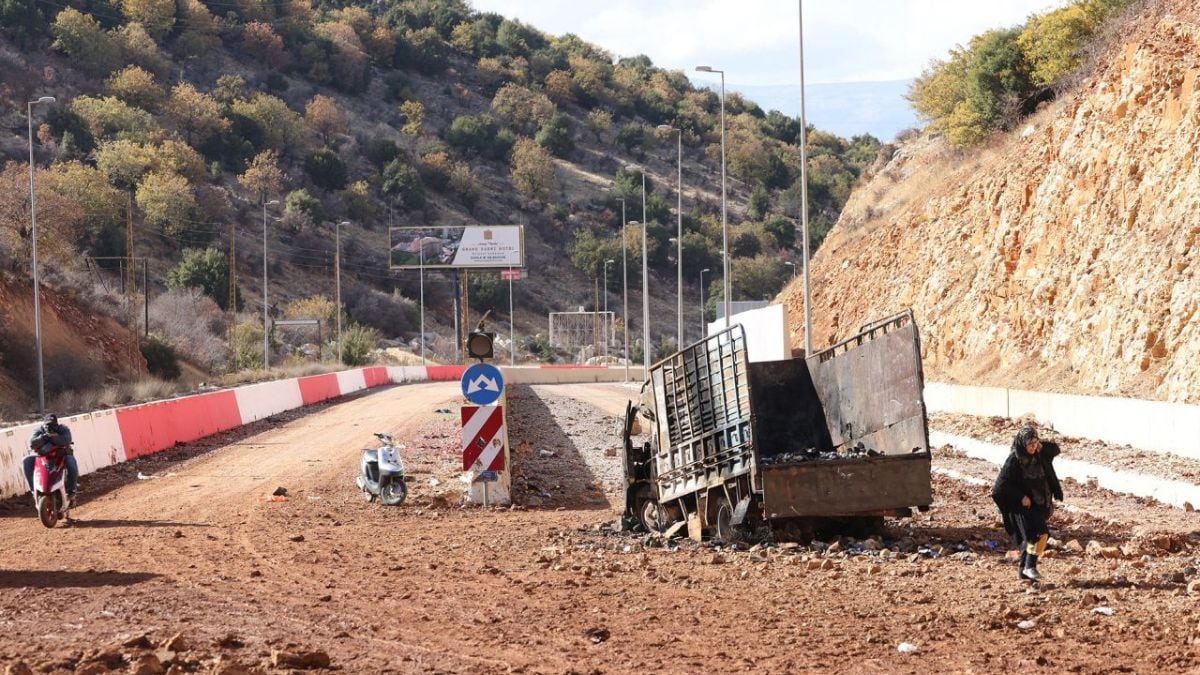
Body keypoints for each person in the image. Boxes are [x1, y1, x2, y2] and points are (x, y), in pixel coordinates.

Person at [991, 425, 1063, 581]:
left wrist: (1040, 444)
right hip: (1022, 508)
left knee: (1028, 539)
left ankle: (1023, 572)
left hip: (1039, 505)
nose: (1033, 447)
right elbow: (999, 487)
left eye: (1035, 443)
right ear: (1022, 444)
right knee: (1040, 534)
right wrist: (1020, 497)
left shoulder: (1039, 454)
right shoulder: (1014, 460)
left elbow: (1055, 450)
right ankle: (1030, 566)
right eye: (1030, 444)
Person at [24, 414, 78, 506]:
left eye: (53, 425)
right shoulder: (39, 431)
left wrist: (52, 437)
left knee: (71, 462)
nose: (50, 428)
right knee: (26, 460)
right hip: (44, 457)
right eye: (48, 425)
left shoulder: (63, 429)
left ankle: (72, 490)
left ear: (57, 424)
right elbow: (32, 443)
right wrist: (45, 437)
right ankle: (34, 490)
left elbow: (66, 440)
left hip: (62, 455)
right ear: (44, 425)